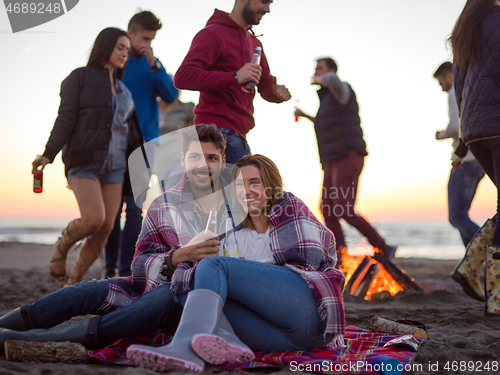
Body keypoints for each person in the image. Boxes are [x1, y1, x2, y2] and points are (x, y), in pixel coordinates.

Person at [0, 125, 240, 353]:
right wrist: (176, 258)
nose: (203, 165)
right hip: (149, 289)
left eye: (212, 158)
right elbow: (139, 265)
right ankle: (8, 323)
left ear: (222, 161)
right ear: (183, 161)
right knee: (86, 291)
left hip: (190, 305)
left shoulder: (235, 207)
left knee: (164, 298)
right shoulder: (163, 204)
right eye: (195, 157)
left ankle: (31, 339)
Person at [126, 154, 346, 372]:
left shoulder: (291, 211)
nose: (246, 190)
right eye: (239, 184)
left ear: (271, 187)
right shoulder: (235, 237)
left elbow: (314, 260)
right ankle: (229, 343)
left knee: (214, 266)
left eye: (254, 182)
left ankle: (183, 346)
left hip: (308, 315)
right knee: (191, 282)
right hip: (282, 338)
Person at [30, 28, 144, 288]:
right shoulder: (79, 78)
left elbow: (131, 134)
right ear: (104, 47)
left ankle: (73, 282)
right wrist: (49, 154)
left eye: (127, 50)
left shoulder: (125, 92)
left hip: (116, 166)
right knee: (93, 219)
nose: (125, 53)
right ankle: (61, 247)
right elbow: (66, 118)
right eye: (120, 47)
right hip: (84, 159)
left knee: (105, 229)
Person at [294, 57, 395, 267]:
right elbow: (325, 124)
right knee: (327, 209)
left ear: (330, 70)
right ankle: (340, 255)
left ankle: (384, 247)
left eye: (319, 68)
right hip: (331, 160)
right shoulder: (326, 100)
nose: (316, 72)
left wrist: (321, 77)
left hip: (348, 155)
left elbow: (333, 80)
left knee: (343, 209)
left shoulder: (341, 91)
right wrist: (305, 116)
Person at [105, 10, 179, 279]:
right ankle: (108, 267)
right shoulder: (117, 60)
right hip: (114, 143)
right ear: (131, 32)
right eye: (144, 37)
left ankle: (126, 271)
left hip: (145, 144)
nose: (147, 42)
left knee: (134, 209)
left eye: (152, 39)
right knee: (110, 209)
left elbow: (171, 95)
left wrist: (155, 66)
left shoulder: (153, 63)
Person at [174, 0, 291, 164]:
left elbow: (265, 85)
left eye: (270, 3)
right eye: (264, 1)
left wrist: (276, 92)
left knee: (241, 189)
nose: (267, 9)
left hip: (240, 135)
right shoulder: (213, 34)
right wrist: (235, 77)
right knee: (232, 190)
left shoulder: (255, 43)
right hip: (214, 133)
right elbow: (183, 77)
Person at [449, 0, 500, 303]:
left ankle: (472, 270)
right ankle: (492, 291)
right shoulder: (496, 20)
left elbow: (461, 90)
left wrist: (461, 144)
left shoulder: (464, 29)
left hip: (475, 130)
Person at [433, 61, 485, 248]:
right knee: (462, 216)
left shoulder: (455, 91)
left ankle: (489, 248)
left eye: (441, 83)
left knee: (456, 217)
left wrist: (441, 135)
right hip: (479, 161)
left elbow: (456, 127)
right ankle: (473, 265)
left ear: (448, 76)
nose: (442, 88)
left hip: (464, 160)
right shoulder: (472, 91)